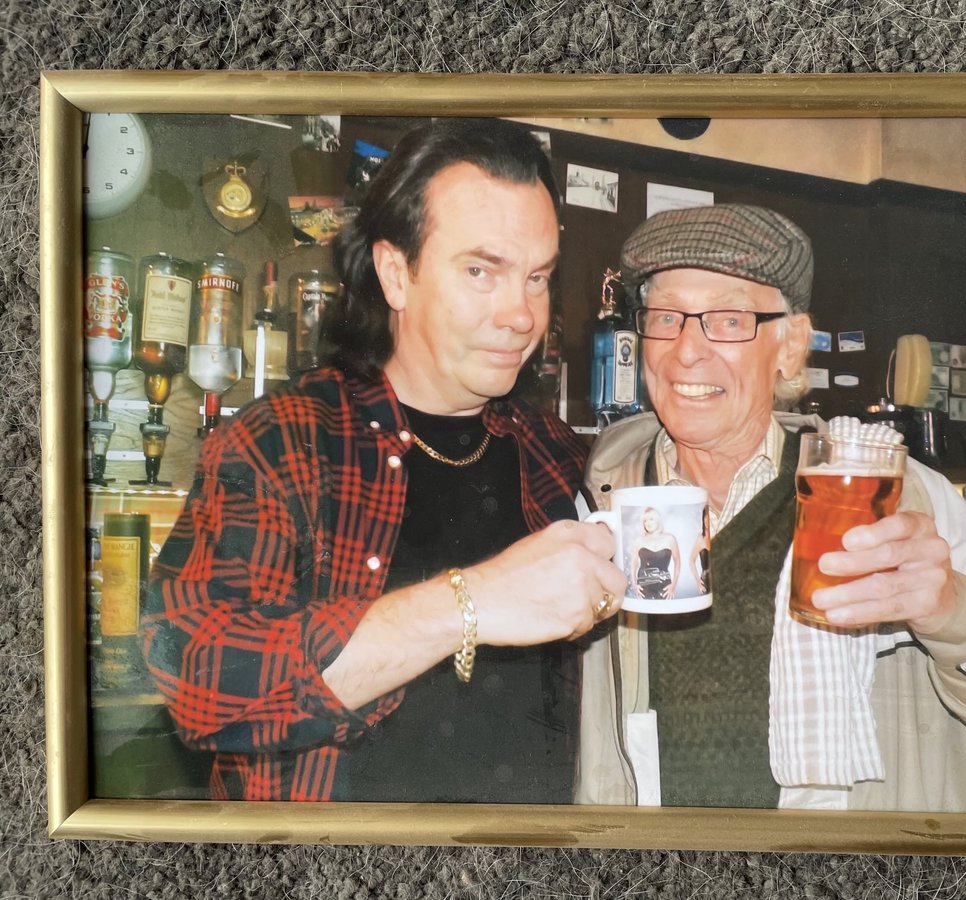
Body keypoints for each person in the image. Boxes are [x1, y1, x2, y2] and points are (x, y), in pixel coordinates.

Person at [141, 119, 626, 803]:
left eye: (538, 277)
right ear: (396, 274)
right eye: (481, 271)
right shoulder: (283, 442)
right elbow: (197, 680)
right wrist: (472, 603)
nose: (522, 315)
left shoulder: (554, 453)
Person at [578, 203, 966, 813]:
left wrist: (956, 611)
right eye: (667, 317)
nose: (687, 351)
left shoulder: (889, 493)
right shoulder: (604, 497)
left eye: (729, 320)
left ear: (790, 347)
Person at [628, 507, 680, 600]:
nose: (648, 523)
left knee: (666, 612)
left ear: (658, 520)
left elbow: (678, 562)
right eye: (645, 521)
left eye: (651, 519)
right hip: (644, 587)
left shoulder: (670, 539)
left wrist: (674, 585)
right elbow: (633, 564)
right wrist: (634, 585)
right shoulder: (639, 541)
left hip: (664, 586)